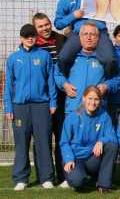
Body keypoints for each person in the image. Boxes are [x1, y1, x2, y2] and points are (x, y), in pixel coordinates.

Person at [4, 24, 57, 191]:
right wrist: (8, 108)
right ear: (21, 38)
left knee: (44, 142)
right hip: (19, 107)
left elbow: (51, 81)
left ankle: (46, 178)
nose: (29, 38)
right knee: (21, 143)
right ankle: (21, 179)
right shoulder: (13, 58)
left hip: (41, 106)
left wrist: (53, 102)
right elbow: (8, 86)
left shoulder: (44, 56)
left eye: (32, 35)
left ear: (36, 37)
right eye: (26, 36)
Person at [54, 0, 118, 77]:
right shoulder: (63, 1)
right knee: (63, 57)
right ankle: (69, 81)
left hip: (99, 31)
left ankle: (107, 83)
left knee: (110, 59)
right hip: (79, 33)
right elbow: (58, 24)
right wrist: (73, 16)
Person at [54, 21, 120, 115]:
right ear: (79, 37)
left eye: (92, 34)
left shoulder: (105, 59)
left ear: (98, 38)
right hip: (74, 110)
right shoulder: (71, 58)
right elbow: (57, 73)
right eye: (85, 34)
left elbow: (119, 78)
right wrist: (65, 85)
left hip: (97, 111)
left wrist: (106, 86)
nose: (89, 37)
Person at [60, 86, 118, 193]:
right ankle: (76, 177)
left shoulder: (104, 116)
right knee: (77, 182)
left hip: (92, 157)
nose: (93, 102)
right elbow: (64, 142)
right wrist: (68, 159)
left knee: (112, 145)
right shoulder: (73, 116)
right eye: (90, 98)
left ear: (100, 101)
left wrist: (102, 141)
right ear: (83, 99)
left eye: (96, 99)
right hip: (75, 157)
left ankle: (103, 184)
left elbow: (113, 137)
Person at [32, 12, 67, 185]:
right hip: (41, 99)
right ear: (35, 29)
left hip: (61, 97)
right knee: (41, 138)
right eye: (40, 26)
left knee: (62, 137)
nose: (45, 28)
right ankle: (44, 176)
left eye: (47, 24)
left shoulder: (61, 40)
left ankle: (64, 176)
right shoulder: (31, 44)